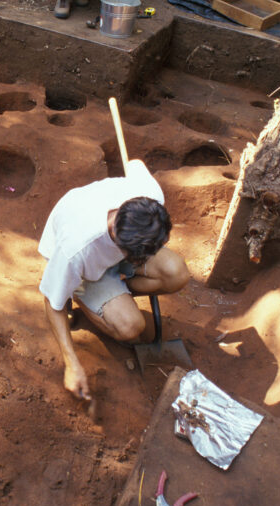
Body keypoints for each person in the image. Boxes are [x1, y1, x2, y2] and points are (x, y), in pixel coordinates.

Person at [38, 159, 189, 399]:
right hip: (85, 269)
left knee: (177, 273)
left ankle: (115, 292)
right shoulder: (76, 250)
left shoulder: (149, 197)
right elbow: (51, 302)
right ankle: (82, 293)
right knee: (131, 327)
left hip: (114, 251)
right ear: (125, 249)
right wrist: (71, 363)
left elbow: (135, 164)